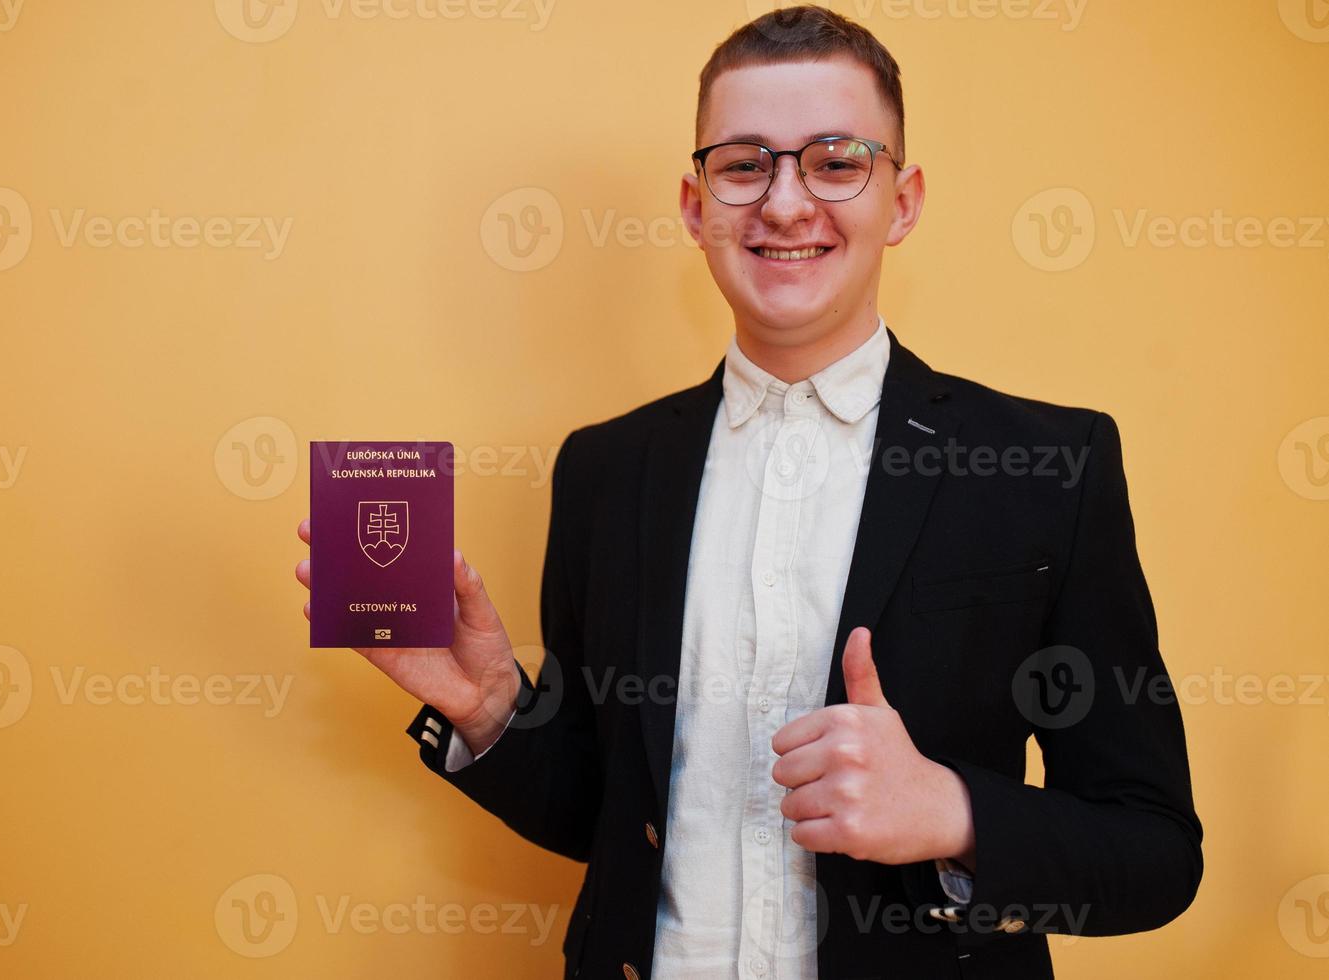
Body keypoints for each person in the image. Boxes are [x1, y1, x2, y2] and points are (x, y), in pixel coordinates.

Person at [295, 7, 1202, 977]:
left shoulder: (1048, 464)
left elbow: (1153, 852)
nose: (783, 202)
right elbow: (614, 819)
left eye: (837, 159)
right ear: (695, 206)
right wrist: (487, 708)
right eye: (743, 164)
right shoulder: (604, 469)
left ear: (903, 199)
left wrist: (951, 809)